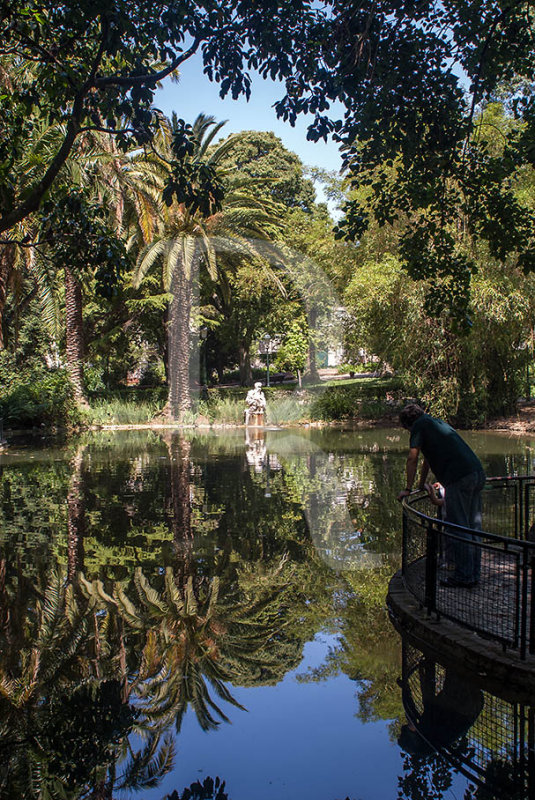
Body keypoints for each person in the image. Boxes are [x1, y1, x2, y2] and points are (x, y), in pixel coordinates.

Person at [397, 403, 485, 588]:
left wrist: (407, 488)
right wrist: (420, 485)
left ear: (408, 424)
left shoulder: (419, 426)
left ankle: (464, 576)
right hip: (476, 474)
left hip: (459, 478)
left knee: (458, 527)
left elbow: (413, 458)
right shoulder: (435, 423)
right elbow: (427, 460)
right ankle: (473, 573)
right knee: (473, 527)